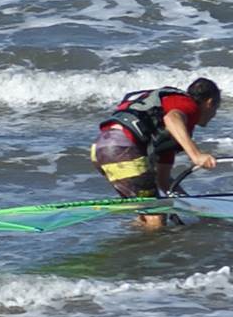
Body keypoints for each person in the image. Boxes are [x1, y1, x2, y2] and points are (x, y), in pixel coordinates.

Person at [91, 76, 223, 230]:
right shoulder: (188, 105)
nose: (214, 115)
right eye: (216, 109)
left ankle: (132, 244)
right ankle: (151, 252)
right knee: (157, 216)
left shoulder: (166, 121)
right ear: (209, 103)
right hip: (122, 148)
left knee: (145, 212)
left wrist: (195, 208)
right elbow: (172, 118)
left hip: (100, 149)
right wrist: (196, 155)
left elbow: (164, 181)